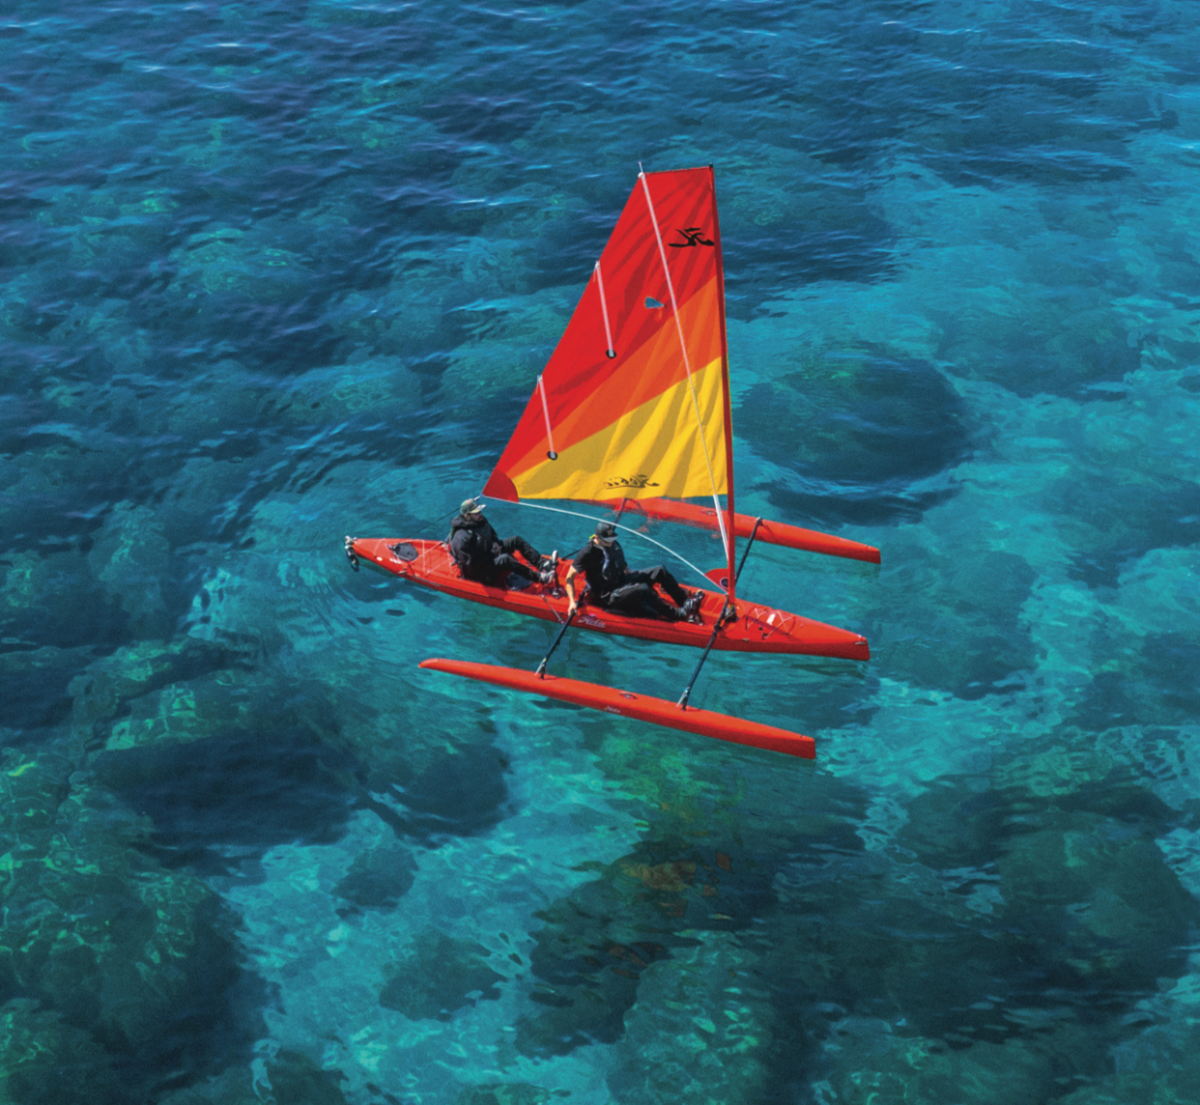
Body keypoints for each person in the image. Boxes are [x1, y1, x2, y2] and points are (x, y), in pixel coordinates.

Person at [564, 521, 702, 622]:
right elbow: (569, 578)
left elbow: (621, 564)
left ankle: (685, 603)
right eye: (607, 540)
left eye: (612, 539)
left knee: (659, 570)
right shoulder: (586, 554)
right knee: (643, 589)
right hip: (608, 596)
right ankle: (679, 615)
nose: (611, 543)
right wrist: (571, 602)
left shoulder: (612, 543)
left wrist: (634, 579)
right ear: (597, 538)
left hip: (620, 581)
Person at [447, 499, 556, 587]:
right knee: (505, 559)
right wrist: (494, 556)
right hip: (480, 573)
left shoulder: (480, 520)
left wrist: (495, 550)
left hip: (490, 554)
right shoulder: (461, 538)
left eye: (479, 511)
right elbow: (472, 566)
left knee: (516, 540)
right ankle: (540, 578)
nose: (480, 514)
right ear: (467, 516)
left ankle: (542, 564)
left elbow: (494, 537)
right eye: (476, 513)